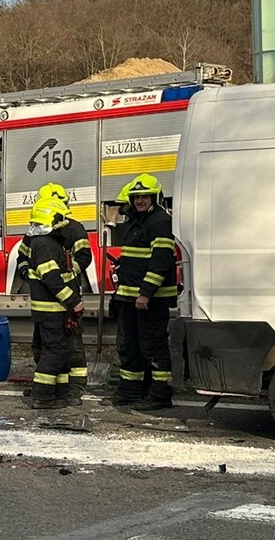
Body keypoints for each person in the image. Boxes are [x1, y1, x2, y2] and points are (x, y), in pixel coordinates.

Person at [111, 173, 179, 410]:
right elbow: (138, 257)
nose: (140, 200)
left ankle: (160, 394)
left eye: (145, 196)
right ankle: (132, 391)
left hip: (150, 300)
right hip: (131, 297)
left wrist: (146, 293)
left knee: (153, 346)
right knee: (130, 345)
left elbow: (161, 261)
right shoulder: (138, 221)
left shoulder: (160, 222)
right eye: (136, 196)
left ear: (155, 197)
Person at [22, 199, 86, 410]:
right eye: (62, 218)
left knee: (59, 352)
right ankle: (43, 396)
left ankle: (59, 391)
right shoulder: (46, 245)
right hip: (53, 310)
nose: (65, 222)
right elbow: (52, 279)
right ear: (53, 219)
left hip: (52, 310)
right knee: (54, 353)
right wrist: (73, 301)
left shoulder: (45, 242)